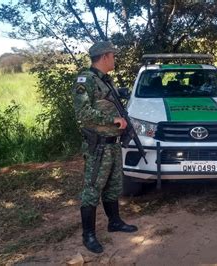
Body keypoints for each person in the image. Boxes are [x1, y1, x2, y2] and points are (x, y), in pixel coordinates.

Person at [71, 41, 138, 254]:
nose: (115, 59)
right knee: (92, 190)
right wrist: (113, 120)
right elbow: (82, 113)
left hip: (112, 145)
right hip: (98, 147)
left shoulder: (105, 80)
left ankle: (114, 222)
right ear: (105, 57)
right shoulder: (86, 80)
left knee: (113, 186)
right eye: (113, 55)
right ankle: (88, 235)